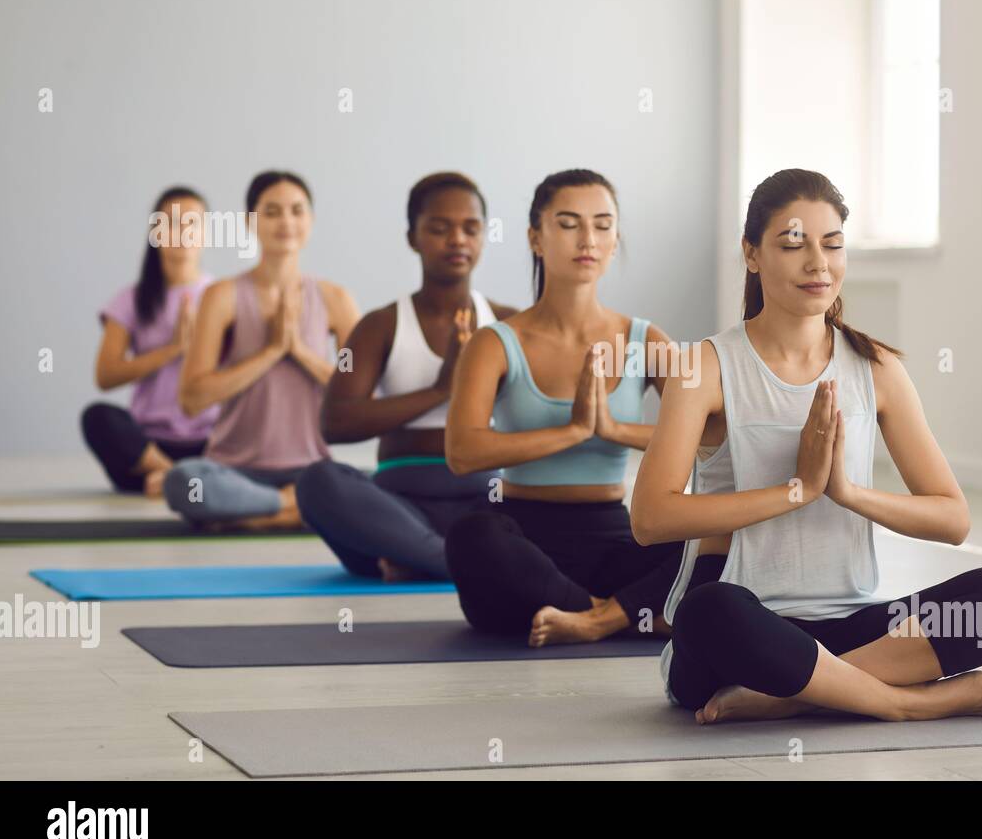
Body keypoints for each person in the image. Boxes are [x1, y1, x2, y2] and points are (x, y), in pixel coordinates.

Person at [631, 168, 982, 724]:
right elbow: (650, 518)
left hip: (852, 625)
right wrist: (797, 491)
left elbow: (952, 519)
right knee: (708, 611)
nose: (818, 263)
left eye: (832, 244)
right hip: (742, 627)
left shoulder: (875, 368)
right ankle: (901, 702)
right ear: (752, 255)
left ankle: (790, 694)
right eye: (793, 244)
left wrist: (847, 492)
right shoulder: (705, 367)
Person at [443, 168, 685, 647]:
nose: (588, 238)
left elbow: (712, 437)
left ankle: (588, 619)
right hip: (520, 541)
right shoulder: (495, 342)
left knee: (716, 537)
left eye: (602, 224)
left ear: (615, 240)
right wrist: (574, 430)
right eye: (569, 223)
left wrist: (614, 429)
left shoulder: (645, 339)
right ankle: (621, 614)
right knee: (471, 537)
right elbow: (462, 452)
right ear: (536, 237)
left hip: (616, 538)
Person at [296, 172, 517, 579]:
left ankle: (423, 562)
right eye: (439, 228)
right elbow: (335, 423)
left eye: (471, 228)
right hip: (398, 509)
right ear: (412, 237)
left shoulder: (511, 323)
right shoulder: (378, 326)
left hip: (488, 503)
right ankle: (457, 563)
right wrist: (441, 388)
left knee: (551, 511)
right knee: (317, 481)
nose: (457, 240)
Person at [162, 171, 360, 530]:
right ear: (250, 222)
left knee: (377, 486)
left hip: (310, 470)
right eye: (272, 212)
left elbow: (359, 397)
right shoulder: (221, 297)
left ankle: (252, 518)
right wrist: (270, 352)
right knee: (185, 483)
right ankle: (289, 508)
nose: (286, 221)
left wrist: (298, 350)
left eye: (297, 211)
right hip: (233, 470)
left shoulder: (336, 301)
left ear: (310, 221)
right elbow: (192, 398)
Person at [82, 187, 219, 496]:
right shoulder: (131, 299)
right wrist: (173, 350)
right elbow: (105, 376)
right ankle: (172, 476)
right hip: (147, 448)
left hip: (211, 442)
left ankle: (178, 481)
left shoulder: (221, 296)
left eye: (191, 223)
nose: (181, 231)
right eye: (171, 222)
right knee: (98, 418)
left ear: (205, 233)